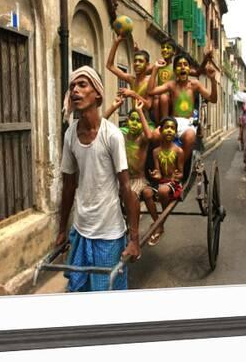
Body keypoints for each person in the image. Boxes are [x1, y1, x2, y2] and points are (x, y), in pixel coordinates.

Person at [56, 66, 141, 292]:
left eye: (82, 85)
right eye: (72, 86)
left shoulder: (111, 135)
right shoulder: (70, 135)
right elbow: (68, 186)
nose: (75, 90)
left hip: (109, 233)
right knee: (78, 291)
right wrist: (62, 230)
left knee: (105, 298)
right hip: (81, 230)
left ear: (98, 95)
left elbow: (126, 187)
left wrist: (134, 239)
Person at [104, 97, 162, 246]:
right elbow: (100, 126)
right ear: (127, 121)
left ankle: (133, 235)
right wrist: (113, 107)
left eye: (138, 121)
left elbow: (150, 136)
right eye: (132, 120)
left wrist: (139, 111)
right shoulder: (121, 135)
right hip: (122, 179)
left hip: (139, 179)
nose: (135, 123)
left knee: (131, 194)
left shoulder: (142, 138)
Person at [147, 54, 217, 161]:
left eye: (185, 64)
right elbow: (151, 91)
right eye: (179, 65)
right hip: (173, 122)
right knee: (155, 135)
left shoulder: (195, 84)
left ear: (189, 69)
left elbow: (213, 99)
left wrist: (213, 80)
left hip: (187, 123)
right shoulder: (171, 85)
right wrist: (155, 69)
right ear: (175, 70)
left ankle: (180, 168)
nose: (183, 67)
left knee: (190, 137)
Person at [148, 116, 185, 242]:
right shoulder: (155, 152)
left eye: (172, 128)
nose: (169, 130)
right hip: (161, 182)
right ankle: (159, 223)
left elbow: (181, 173)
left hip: (173, 184)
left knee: (163, 191)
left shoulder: (179, 151)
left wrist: (177, 176)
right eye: (166, 128)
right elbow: (158, 172)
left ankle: (160, 223)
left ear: (175, 132)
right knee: (146, 192)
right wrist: (155, 174)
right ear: (160, 130)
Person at [105, 35, 153, 110]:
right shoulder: (131, 79)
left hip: (147, 121)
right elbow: (110, 66)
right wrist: (116, 43)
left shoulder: (150, 81)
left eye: (140, 61)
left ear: (147, 65)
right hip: (133, 118)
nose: (137, 63)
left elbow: (149, 105)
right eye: (135, 61)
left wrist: (132, 94)